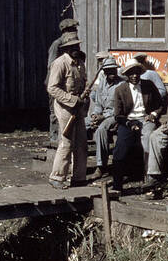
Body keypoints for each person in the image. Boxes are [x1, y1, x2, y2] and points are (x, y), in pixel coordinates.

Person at [111, 59, 164, 193]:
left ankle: (149, 179)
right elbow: (118, 114)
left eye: (137, 72)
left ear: (140, 73)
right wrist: (129, 123)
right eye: (131, 73)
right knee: (120, 146)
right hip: (128, 120)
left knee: (148, 141)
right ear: (126, 75)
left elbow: (159, 104)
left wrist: (153, 114)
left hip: (146, 119)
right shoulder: (120, 89)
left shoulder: (149, 85)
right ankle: (117, 184)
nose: (134, 76)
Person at [47, 31, 90, 189]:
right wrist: (72, 100)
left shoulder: (80, 63)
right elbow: (52, 88)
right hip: (65, 108)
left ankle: (79, 178)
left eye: (77, 45)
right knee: (66, 143)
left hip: (79, 108)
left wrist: (84, 99)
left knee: (81, 143)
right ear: (66, 49)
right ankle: (57, 177)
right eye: (72, 46)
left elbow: (84, 84)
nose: (75, 48)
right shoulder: (60, 63)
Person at [87, 57, 125, 180]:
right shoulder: (102, 83)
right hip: (102, 114)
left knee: (101, 130)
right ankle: (76, 164)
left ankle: (101, 166)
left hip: (115, 115)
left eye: (113, 70)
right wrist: (94, 115)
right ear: (104, 72)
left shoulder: (122, 84)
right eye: (109, 71)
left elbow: (121, 107)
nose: (112, 73)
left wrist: (103, 117)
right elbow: (98, 104)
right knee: (80, 124)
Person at [46, 18, 80, 143]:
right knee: (55, 113)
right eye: (72, 29)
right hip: (56, 82)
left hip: (68, 83)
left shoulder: (74, 43)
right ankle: (54, 138)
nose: (75, 31)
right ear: (65, 31)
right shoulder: (57, 44)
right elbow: (51, 65)